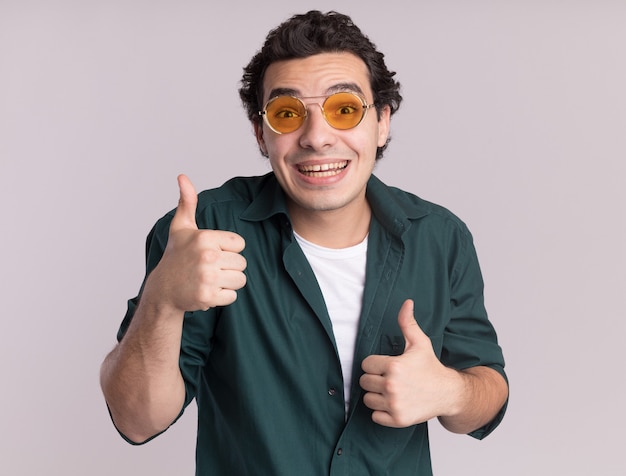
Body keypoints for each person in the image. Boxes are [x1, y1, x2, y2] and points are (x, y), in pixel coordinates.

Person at [100, 10, 509, 475]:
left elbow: (489, 390)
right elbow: (136, 421)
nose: (316, 138)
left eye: (344, 110)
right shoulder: (201, 233)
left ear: (381, 122)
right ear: (261, 133)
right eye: (288, 114)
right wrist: (162, 300)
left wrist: (450, 392)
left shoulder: (441, 237)